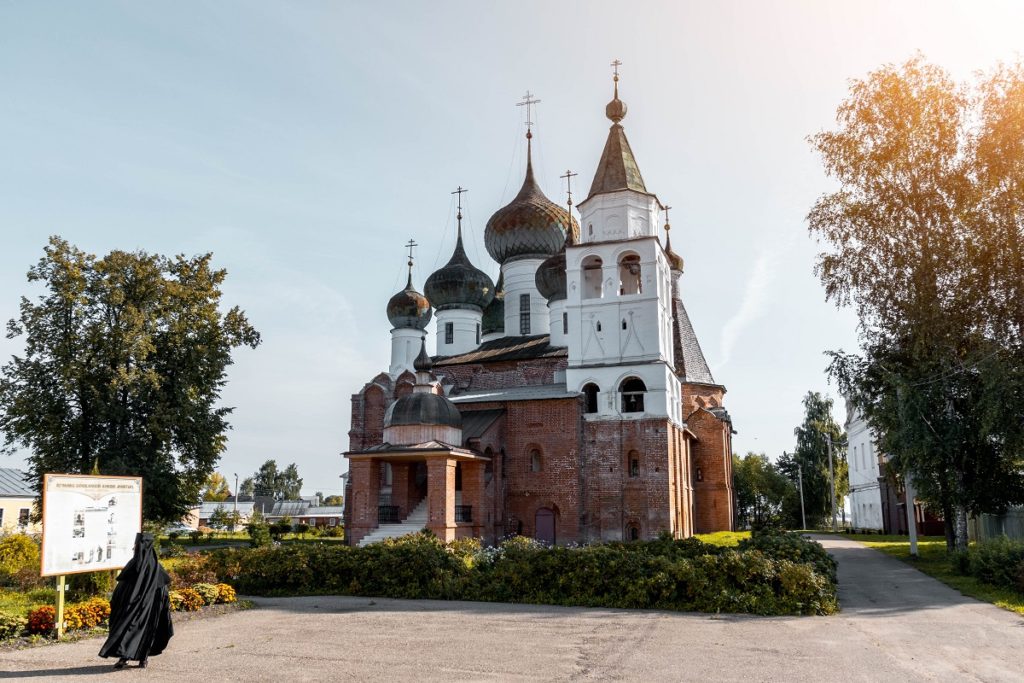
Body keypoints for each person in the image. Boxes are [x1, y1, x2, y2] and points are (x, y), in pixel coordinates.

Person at [99, 532, 174, 669]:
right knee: (134, 631)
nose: (134, 549)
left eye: (136, 546)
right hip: (138, 608)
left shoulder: (141, 566)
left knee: (136, 631)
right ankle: (128, 658)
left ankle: (137, 659)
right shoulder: (154, 568)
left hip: (145, 609)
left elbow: (161, 592)